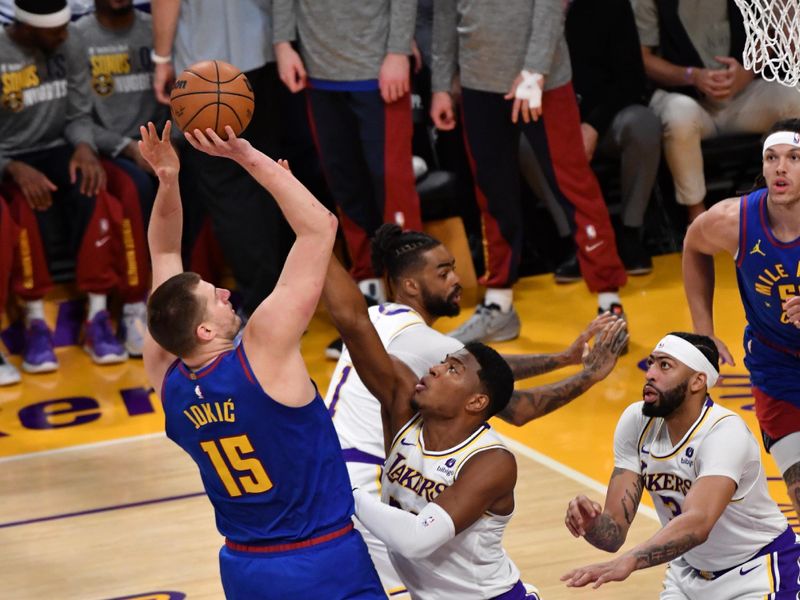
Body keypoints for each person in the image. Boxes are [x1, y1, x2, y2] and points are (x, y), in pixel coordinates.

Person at [138, 121, 384, 599]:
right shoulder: (262, 354)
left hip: (245, 570)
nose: (227, 292)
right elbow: (319, 229)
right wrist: (246, 155)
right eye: (215, 296)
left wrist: (169, 180)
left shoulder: (165, 373)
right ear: (205, 330)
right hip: (320, 560)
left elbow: (164, 250)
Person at [325, 223, 627, 597]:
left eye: (454, 268)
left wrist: (563, 359)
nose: (457, 280)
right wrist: (583, 373)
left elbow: (487, 372)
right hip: (368, 471)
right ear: (410, 286)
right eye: (443, 272)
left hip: (350, 471)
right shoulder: (419, 353)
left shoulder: (380, 319)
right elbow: (506, 397)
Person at [432, 0, 629, 345]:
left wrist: (536, 70)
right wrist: (439, 85)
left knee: (574, 187)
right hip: (479, 82)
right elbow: (446, 13)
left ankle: (609, 303)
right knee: (492, 192)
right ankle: (499, 305)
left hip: (546, 80)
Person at [562, 332, 800, 598]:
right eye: (651, 363)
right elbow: (613, 534)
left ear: (698, 381)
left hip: (756, 570)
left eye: (665, 365)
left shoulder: (724, 432)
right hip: (687, 572)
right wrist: (592, 524)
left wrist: (629, 561)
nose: (650, 373)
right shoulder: (636, 421)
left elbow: (698, 522)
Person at [0, 0, 144, 371]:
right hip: (10, 155)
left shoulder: (69, 44)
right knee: (26, 208)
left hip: (58, 147)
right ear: (28, 29)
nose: (67, 35)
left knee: (93, 189)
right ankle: (35, 324)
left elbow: (79, 112)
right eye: (57, 31)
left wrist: (84, 147)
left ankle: (98, 317)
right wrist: (12, 167)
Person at [683, 118, 800, 522]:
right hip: (777, 364)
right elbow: (693, 246)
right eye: (772, 158)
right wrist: (704, 332)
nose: (780, 167)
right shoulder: (733, 220)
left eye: (793, 158)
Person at [272, 0, 423, 306]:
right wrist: (283, 44)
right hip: (319, 70)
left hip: (378, 64)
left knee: (391, 182)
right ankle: (368, 293)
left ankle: (413, 293)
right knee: (344, 182)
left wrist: (398, 51)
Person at [151, 0, 290, 321]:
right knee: (267, 177)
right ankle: (286, 297)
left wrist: (160, 58)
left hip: (203, 71)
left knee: (228, 188)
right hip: (262, 54)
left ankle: (262, 307)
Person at [634, 0, 800, 222]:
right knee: (679, 114)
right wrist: (690, 75)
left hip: (743, 96)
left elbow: (774, 29)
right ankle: (697, 217)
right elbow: (642, 57)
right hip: (687, 97)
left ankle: (789, 202)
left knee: (793, 98)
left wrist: (748, 70)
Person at [539, 0, 661, 281]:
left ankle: (630, 233)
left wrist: (593, 125)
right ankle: (577, 240)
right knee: (523, 144)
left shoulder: (610, 5)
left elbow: (632, 79)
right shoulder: (527, 10)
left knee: (644, 124)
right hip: (550, 122)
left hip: (606, 117)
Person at [75, 0, 169, 356]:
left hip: (157, 143)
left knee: (200, 182)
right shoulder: (78, 36)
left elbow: (174, 98)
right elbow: (76, 116)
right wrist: (127, 147)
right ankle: (132, 306)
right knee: (135, 188)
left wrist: (166, 145)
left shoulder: (155, 28)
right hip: (109, 149)